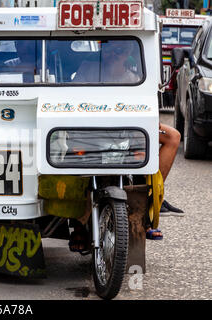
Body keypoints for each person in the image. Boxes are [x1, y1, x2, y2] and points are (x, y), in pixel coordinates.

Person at [68, 40, 182, 251]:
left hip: (126, 128)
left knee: (173, 136)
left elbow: (144, 104)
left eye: (121, 51)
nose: (115, 54)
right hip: (90, 127)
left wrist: (147, 122)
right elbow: (74, 96)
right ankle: (78, 225)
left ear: (128, 53)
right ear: (104, 50)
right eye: (111, 50)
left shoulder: (134, 76)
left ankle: (150, 202)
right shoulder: (89, 67)